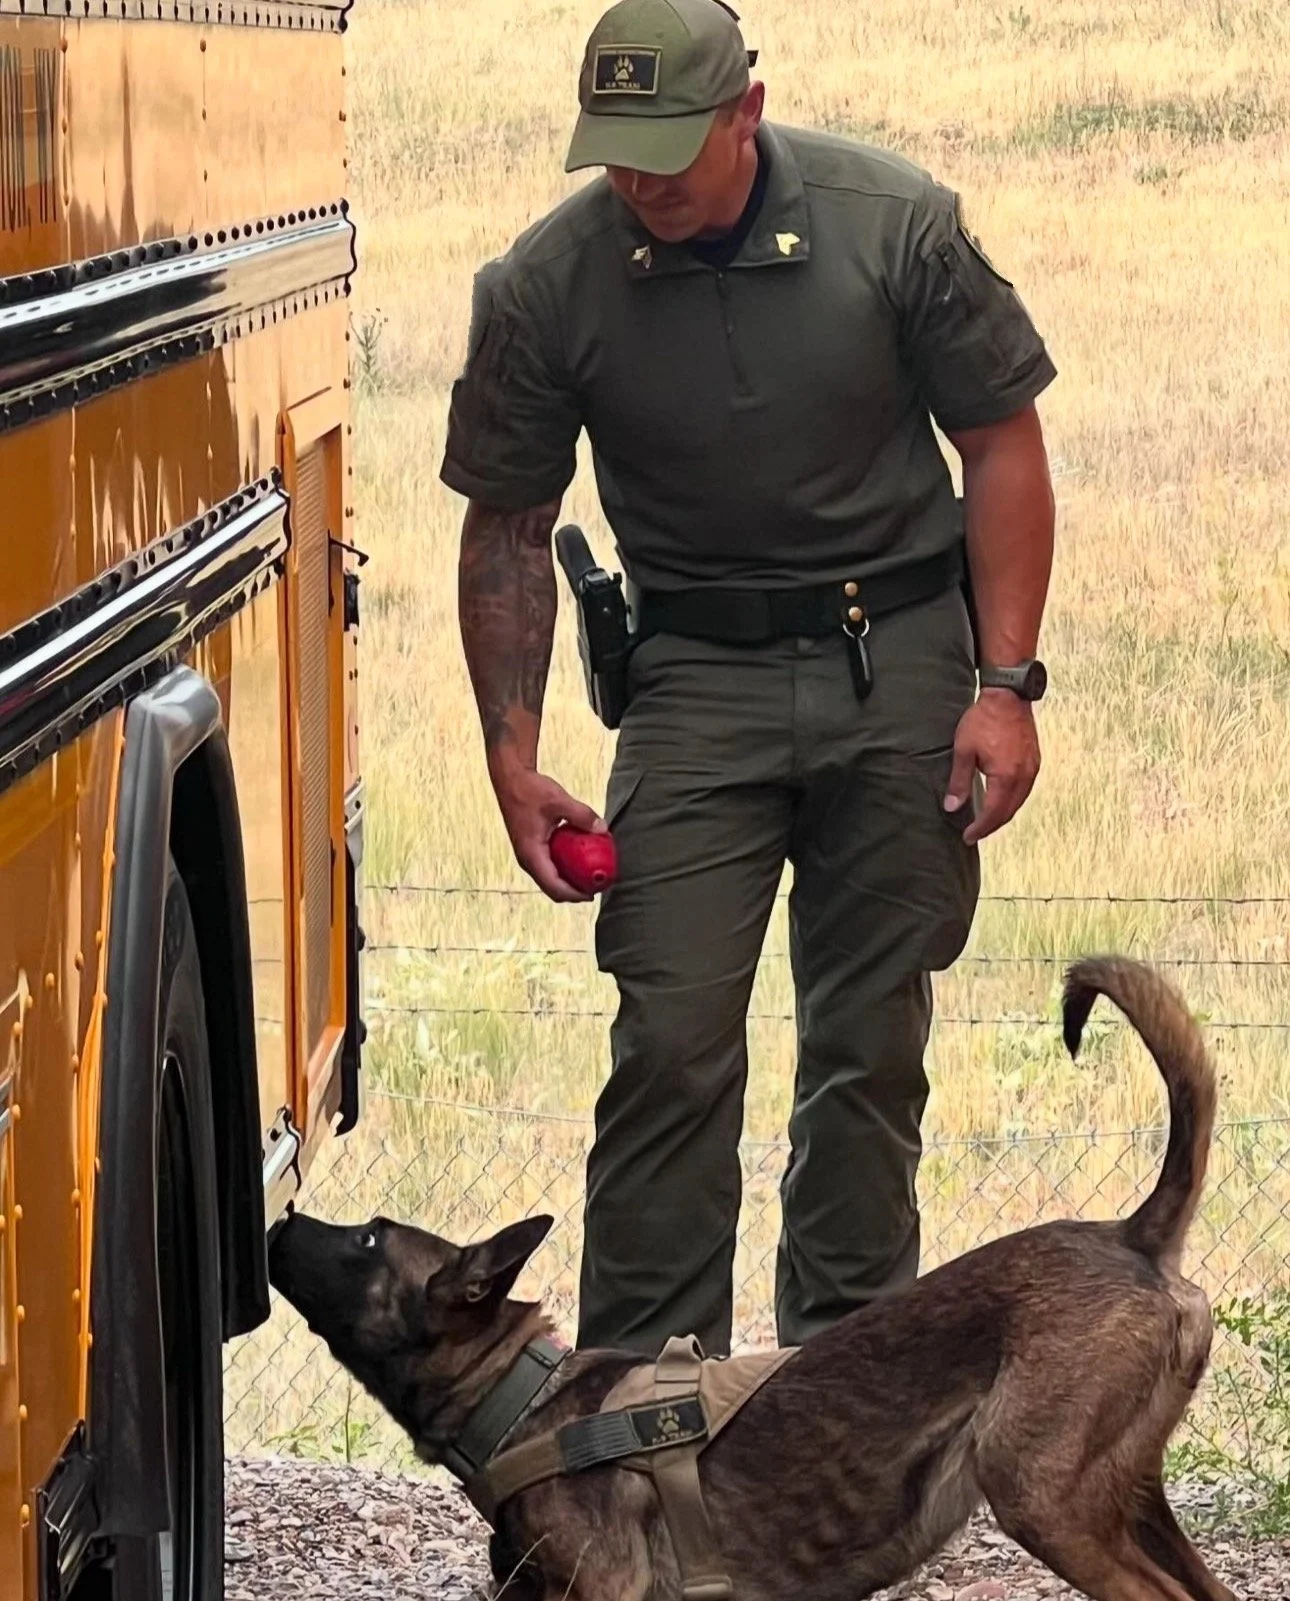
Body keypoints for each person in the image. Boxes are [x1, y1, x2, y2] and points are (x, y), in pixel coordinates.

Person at [440, 0, 1058, 1359]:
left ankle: (841, 1402)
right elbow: (503, 522)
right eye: (616, 154)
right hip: (691, 679)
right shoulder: (544, 286)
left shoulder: (894, 225)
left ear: (746, 113)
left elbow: (1000, 442)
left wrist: (1001, 682)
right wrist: (510, 745)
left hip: (895, 664)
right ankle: (644, 1423)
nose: (643, 181)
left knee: (867, 1046)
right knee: (668, 1040)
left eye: (670, 146)